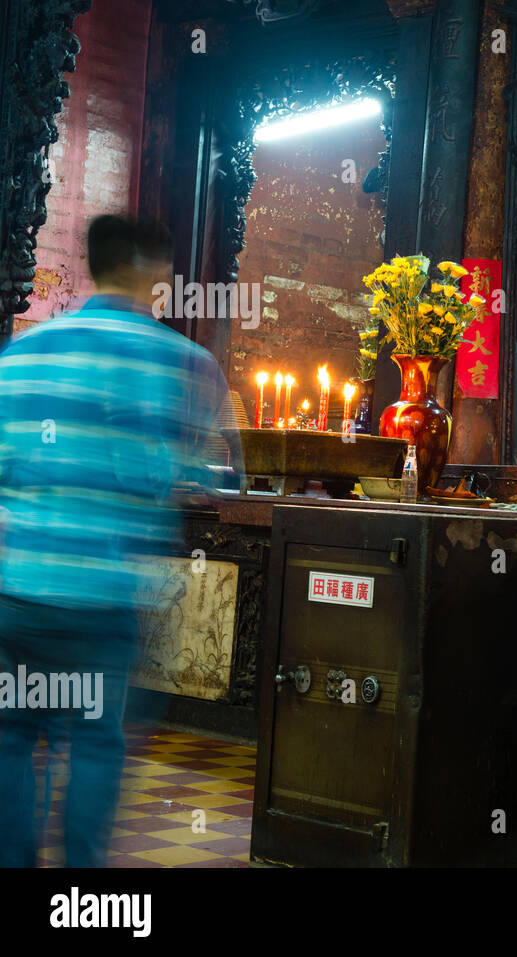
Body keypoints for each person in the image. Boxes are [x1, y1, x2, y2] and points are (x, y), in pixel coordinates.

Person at [0, 215, 238, 867]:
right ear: (152, 275)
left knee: (13, 739)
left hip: (17, 593)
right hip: (101, 601)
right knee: (97, 743)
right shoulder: (182, 362)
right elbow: (201, 471)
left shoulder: (22, 355)